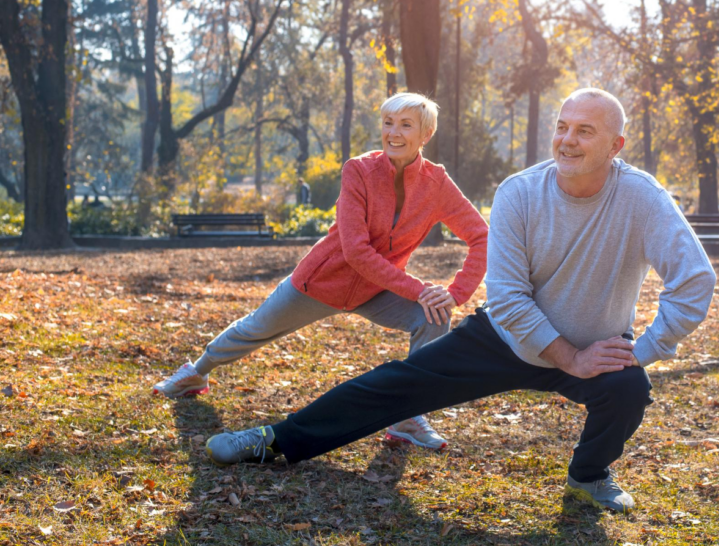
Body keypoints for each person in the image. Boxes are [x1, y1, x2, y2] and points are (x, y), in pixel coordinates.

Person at [202, 88, 716, 512]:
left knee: (628, 391)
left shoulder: (642, 197)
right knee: (394, 385)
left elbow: (694, 280)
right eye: (562, 126)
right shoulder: (520, 193)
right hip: (506, 338)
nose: (567, 139)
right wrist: (569, 358)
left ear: (616, 144)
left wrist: (640, 350)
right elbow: (510, 299)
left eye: (585, 130)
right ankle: (276, 439)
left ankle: (589, 474)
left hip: (595, 345)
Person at [153, 92, 489, 450]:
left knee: (434, 315)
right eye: (388, 122)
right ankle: (196, 372)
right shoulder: (359, 170)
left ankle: (406, 415)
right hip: (322, 282)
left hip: (376, 290)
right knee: (255, 328)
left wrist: (454, 293)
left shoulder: (436, 184)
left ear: (426, 134)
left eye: (406, 125)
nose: (393, 132)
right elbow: (356, 252)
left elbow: (482, 236)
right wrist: (418, 288)